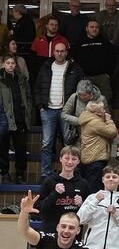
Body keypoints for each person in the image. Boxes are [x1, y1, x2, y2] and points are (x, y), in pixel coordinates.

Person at [34, 41, 84, 178]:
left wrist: (74, 109)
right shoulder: (46, 67)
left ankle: (70, 174)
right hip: (47, 110)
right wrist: (40, 106)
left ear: (66, 53)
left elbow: (81, 90)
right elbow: (37, 88)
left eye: (62, 51)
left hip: (66, 111)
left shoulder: (74, 68)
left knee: (69, 143)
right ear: (53, 52)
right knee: (46, 144)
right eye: (57, 51)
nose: (60, 53)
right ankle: (45, 175)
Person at [34, 145, 90, 233]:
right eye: (66, 158)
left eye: (74, 159)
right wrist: (54, 194)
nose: (70, 162)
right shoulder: (50, 181)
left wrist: (81, 204)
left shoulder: (83, 184)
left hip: (72, 234)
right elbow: (38, 209)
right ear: (60, 159)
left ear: (78, 161)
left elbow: (89, 213)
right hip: (51, 231)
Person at [0, 54, 32, 185]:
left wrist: (27, 111)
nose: (10, 65)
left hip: (19, 118)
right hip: (4, 119)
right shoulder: (1, 79)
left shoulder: (21, 78)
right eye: (8, 63)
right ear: (3, 64)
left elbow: (28, 96)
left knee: (21, 147)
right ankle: (5, 174)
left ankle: (19, 174)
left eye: (12, 63)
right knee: (3, 148)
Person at [72, 19, 115, 104]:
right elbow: (75, 59)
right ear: (86, 29)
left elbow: (112, 58)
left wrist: (108, 74)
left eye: (96, 27)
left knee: (106, 101)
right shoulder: (80, 42)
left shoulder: (105, 42)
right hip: (85, 77)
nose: (94, 29)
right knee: (84, 102)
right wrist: (80, 74)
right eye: (92, 27)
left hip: (102, 77)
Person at [78, 101, 116, 192]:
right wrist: (109, 120)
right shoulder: (95, 122)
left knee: (88, 186)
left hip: (89, 157)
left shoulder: (87, 119)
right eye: (103, 110)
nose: (105, 111)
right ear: (98, 113)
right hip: (96, 158)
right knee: (94, 188)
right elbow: (112, 132)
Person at [61, 79, 109, 149]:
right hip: (78, 136)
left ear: (91, 93)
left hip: (95, 136)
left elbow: (107, 118)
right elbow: (64, 115)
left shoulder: (101, 99)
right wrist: (79, 121)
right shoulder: (74, 97)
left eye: (84, 95)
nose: (82, 97)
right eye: (80, 95)